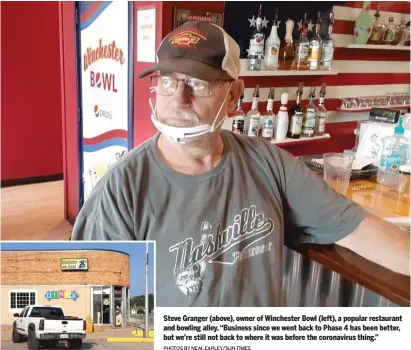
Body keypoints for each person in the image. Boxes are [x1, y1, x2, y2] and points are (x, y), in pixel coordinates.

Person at [71, 21, 410, 306]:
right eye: (167, 81)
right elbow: (93, 310)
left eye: (197, 83)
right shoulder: (122, 189)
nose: (178, 99)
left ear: (234, 95)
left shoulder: (268, 163)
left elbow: (356, 228)